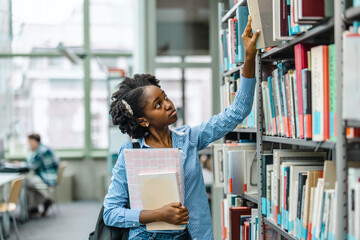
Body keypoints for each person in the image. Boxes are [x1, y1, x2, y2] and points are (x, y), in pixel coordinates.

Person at [103, 16, 260, 240]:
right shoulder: (129, 155)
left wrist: (249, 57)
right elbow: (111, 213)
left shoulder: (189, 138)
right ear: (143, 121)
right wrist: (155, 214)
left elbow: (238, 111)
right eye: (158, 105)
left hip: (192, 236)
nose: (168, 104)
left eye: (165, 97)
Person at [26, 133, 59, 217]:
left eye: (29, 142)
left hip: (47, 177)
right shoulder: (44, 148)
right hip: (51, 175)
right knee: (32, 184)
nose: (29, 145)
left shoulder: (41, 151)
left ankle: (46, 199)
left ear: (34, 141)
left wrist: (30, 152)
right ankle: (35, 206)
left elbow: (31, 165)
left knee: (26, 182)